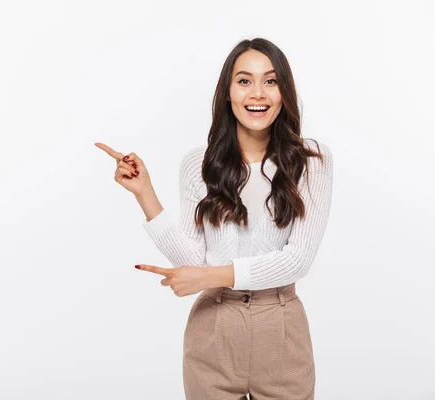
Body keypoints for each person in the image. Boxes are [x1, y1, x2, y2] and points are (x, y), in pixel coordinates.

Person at [95, 37, 333, 400]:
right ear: (227, 92)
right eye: (244, 81)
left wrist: (209, 276)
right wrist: (145, 194)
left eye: (271, 81)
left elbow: (296, 260)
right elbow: (193, 260)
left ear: (285, 91)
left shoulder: (311, 160)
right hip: (213, 327)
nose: (258, 93)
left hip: (281, 330)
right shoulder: (199, 163)